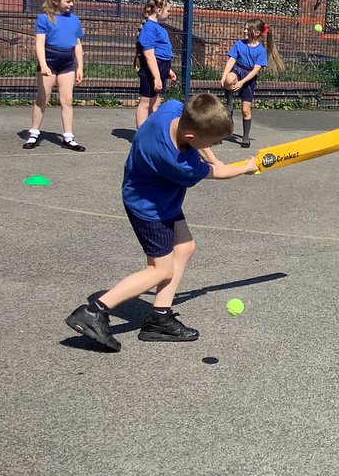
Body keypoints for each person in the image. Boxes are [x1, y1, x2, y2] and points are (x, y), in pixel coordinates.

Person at [66, 93, 258, 351]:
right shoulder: (179, 162)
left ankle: (159, 318)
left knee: (185, 247)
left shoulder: (172, 111)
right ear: (192, 138)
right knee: (160, 270)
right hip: (149, 209)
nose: (216, 145)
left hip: (160, 200)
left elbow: (202, 144)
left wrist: (211, 155)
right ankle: (94, 311)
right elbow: (220, 173)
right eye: (214, 142)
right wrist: (246, 167)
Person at [25, 0, 86, 151]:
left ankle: (68, 137)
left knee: (67, 100)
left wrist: (80, 67)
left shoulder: (74, 20)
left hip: (67, 62)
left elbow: (78, 44)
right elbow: (39, 43)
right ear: (55, 1)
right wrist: (43, 65)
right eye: (68, 1)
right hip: (50, 60)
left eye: (72, 0)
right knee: (42, 98)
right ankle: (34, 133)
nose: (72, 4)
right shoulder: (44, 18)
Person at [221, 18, 284, 149]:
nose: (244, 30)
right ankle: (230, 99)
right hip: (238, 69)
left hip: (249, 77)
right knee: (229, 79)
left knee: (245, 110)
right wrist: (224, 76)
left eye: (247, 29)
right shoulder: (239, 44)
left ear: (256, 32)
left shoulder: (261, 50)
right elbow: (232, 60)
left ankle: (245, 137)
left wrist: (242, 82)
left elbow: (256, 70)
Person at [134, 0, 175, 129]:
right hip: (152, 69)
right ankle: (141, 132)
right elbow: (149, 54)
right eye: (168, 10)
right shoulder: (149, 28)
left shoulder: (159, 27)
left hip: (162, 66)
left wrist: (167, 70)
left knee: (156, 102)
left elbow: (162, 51)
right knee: (146, 102)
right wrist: (156, 77)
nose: (169, 13)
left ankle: (153, 130)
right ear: (158, 11)